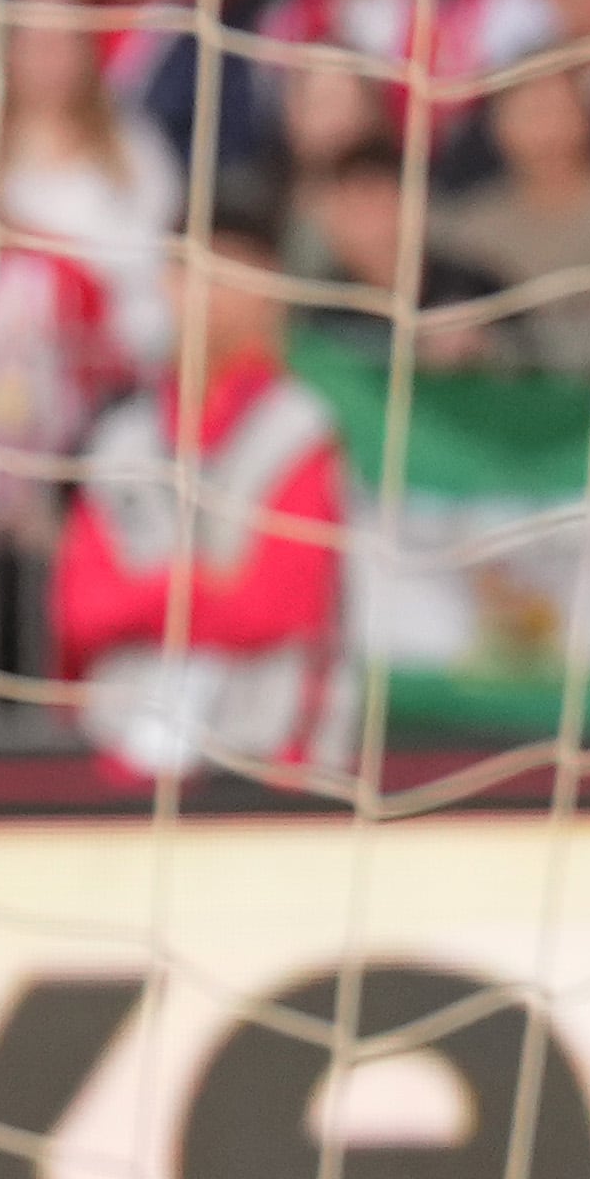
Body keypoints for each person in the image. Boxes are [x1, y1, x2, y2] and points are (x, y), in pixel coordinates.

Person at [57, 209, 350, 785]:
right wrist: (200, 585)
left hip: (274, 749)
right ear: (167, 284)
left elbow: (277, 606)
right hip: (128, 745)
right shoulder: (122, 438)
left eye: (235, 273)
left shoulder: (302, 430)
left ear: (273, 294)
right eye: (195, 271)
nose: (212, 293)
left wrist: (146, 597)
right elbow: (79, 609)